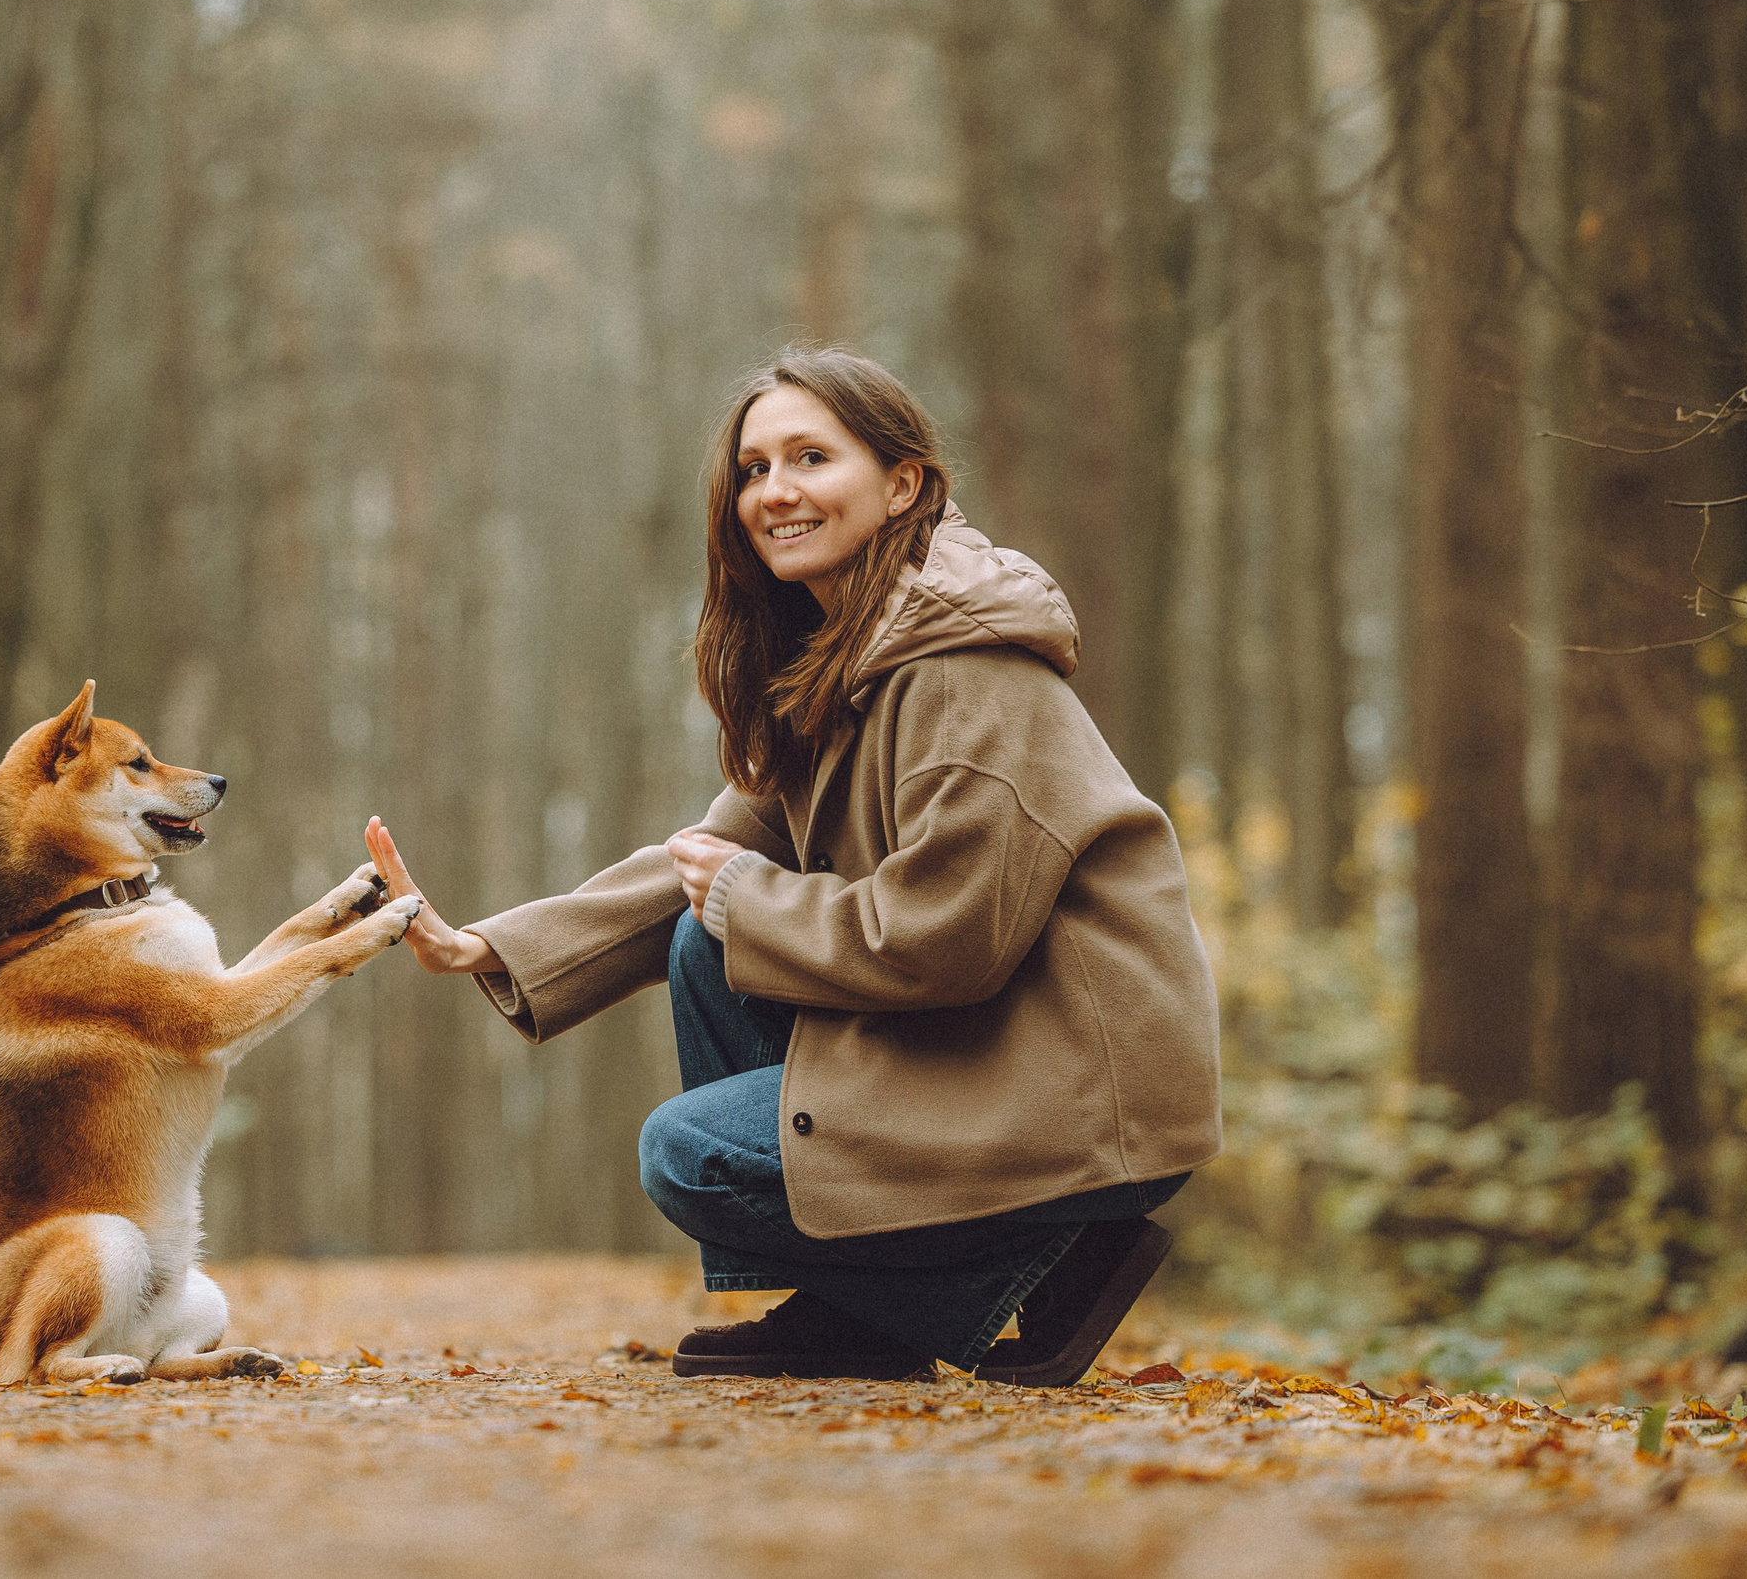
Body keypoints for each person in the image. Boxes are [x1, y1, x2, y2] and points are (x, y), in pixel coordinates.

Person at [364, 346, 1221, 1383]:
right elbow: (708, 860)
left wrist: (739, 895)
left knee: (690, 1150)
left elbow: (945, 942)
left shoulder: (962, 674)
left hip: (1073, 1080)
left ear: (901, 483)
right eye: (755, 469)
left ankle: (1048, 1258)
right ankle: (863, 1309)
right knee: (700, 938)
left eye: (810, 457)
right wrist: (488, 945)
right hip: (987, 1045)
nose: (774, 492)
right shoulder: (848, 657)